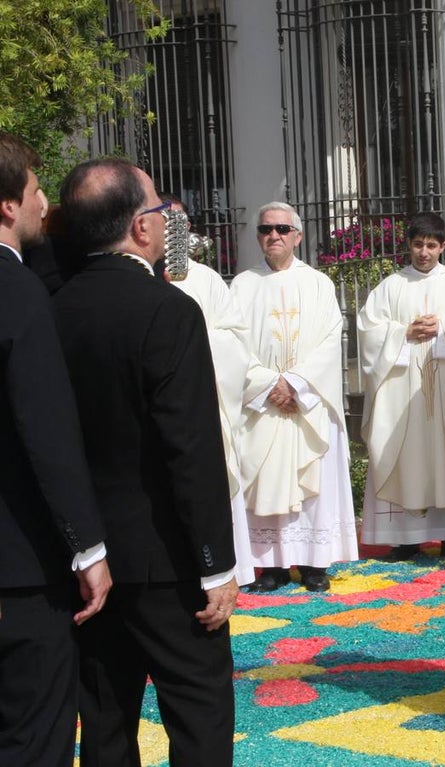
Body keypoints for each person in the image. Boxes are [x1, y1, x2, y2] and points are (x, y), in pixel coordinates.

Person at [52, 158, 238, 766]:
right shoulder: (167, 309)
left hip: (84, 560)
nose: (164, 220)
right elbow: (190, 449)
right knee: (199, 713)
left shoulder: (50, 310)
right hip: (168, 561)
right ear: (140, 227)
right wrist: (215, 564)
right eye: (158, 209)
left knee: (105, 720)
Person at [0, 132, 112, 767]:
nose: (45, 203)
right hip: (20, 570)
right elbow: (46, 432)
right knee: (35, 739)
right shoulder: (18, 294)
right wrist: (88, 547)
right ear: (8, 205)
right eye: (37, 189)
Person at [231, 201, 358, 592]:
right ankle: (272, 566)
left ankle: (314, 564)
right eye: (267, 229)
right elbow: (232, 344)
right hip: (263, 402)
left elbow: (329, 342)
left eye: (283, 229)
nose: (274, 235)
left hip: (308, 403)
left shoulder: (318, 283)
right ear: (257, 236)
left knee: (312, 482)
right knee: (265, 480)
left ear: (298, 236)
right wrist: (268, 384)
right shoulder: (242, 285)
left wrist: (297, 385)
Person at [358, 211, 445, 561]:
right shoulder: (391, 287)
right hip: (402, 393)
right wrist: (403, 334)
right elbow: (368, 332)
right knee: (408, 455)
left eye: (431, 245)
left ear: (442, 246)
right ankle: (407, 539)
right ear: (408, 246)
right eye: (417, 245)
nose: (424, 252)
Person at [164, 193, 256, 587]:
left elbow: (234, 339)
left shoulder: (207, 280)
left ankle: (224, 569)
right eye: (168, 225)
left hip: (207, 398)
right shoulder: (141, 276)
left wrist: (194, 345)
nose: (175, 234)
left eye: (181, 225)